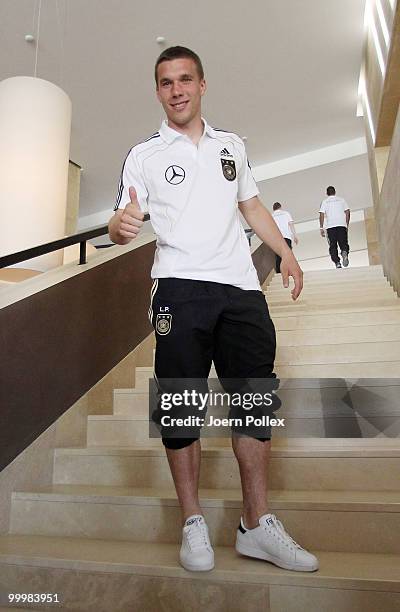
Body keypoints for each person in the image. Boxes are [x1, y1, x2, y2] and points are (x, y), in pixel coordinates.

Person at [108, 46, 318, 574]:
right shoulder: (145, 154)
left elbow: (249, 205)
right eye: (165, 82)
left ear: (202, 84)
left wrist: (287, 252)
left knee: (253, 401)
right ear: (158, 92)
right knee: (180, 405)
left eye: (185, 79)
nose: (176, 89)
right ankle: (193, 521)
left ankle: (256, 524)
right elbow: (120, 218)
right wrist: (120, 227)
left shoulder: (232, 147)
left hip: (241, 291)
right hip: (179, 290)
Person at [319, 186, 350, 268]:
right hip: (341, 225)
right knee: (343, 242)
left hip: (330, 227)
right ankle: (344, 252)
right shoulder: (341, 200)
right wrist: (346, 224)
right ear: (335, 192)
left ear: (327, 193)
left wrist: (321, 227)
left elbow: (321, 214)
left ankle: (337, 262)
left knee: (333, 245)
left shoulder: (325, 202)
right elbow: (347, 211)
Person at [272, 202, 298, 273]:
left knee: (278, 256)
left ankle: (279, 272)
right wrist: (295, 236)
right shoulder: (286, 213)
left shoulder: (272, 216)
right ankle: (290, 271)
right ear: (280, 207)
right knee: (288, 254)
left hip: (276, 239)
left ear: (273, 209)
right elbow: (291, 224)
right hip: (286, 237)